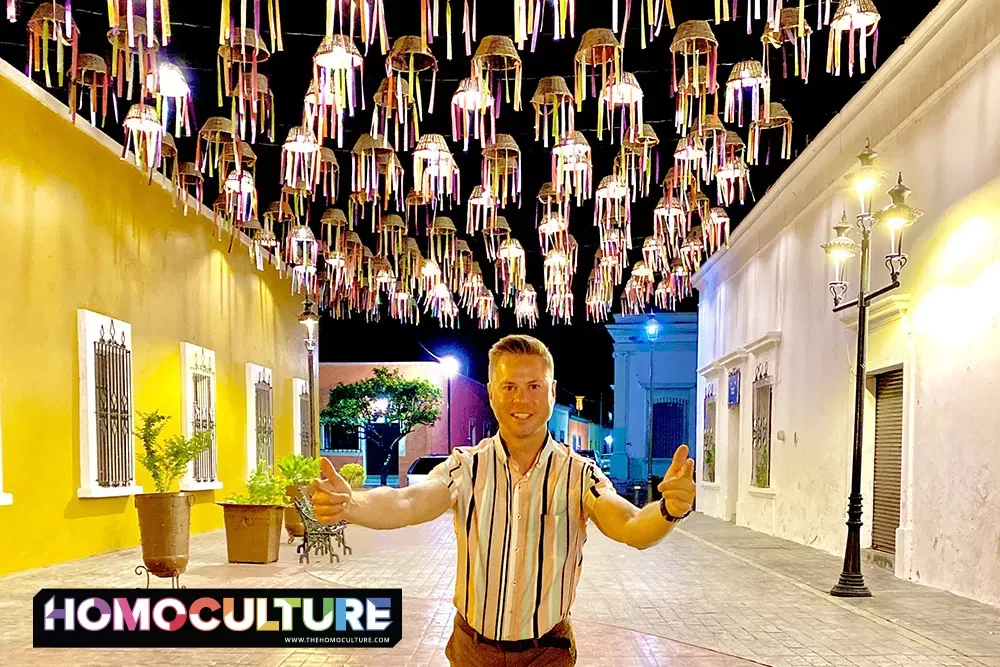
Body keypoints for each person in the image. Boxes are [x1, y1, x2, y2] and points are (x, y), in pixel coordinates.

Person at [310, 335, 696, 666]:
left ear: (551, 389)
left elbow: (629, 526)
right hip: (474, 652)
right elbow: (409, 502)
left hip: (548, 652)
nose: (521, 399)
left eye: (533, 386)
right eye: (509, 386)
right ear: (492, 392)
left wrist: (668, 510)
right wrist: (352, 505)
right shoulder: (465, 467)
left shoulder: (579, 475)